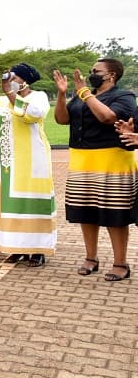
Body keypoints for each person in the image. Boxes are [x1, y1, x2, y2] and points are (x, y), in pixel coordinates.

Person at [54, 59, 137, 282]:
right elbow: (62, 119)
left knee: (114, 214)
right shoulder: (83, 95)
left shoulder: (124, 96)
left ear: (111, 75)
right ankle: (91, 258)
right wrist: (63, 94)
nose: (91, 74)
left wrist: (84, 93)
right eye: (91, 71)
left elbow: (108, 117)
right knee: (85, 211)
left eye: (96, 71)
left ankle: (121, 263)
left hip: (112, 160)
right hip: (82, 160)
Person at [0, 63, 57, 266]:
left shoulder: (38, 96)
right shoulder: (1, 100)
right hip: (7, 163)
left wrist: (10, 94)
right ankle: (14, 247)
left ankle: (37, 250)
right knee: (9, 206)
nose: (10, 82)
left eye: (14, 78)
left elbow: (32, 114)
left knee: (32, 203)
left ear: (25, 80)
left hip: (32, 160)